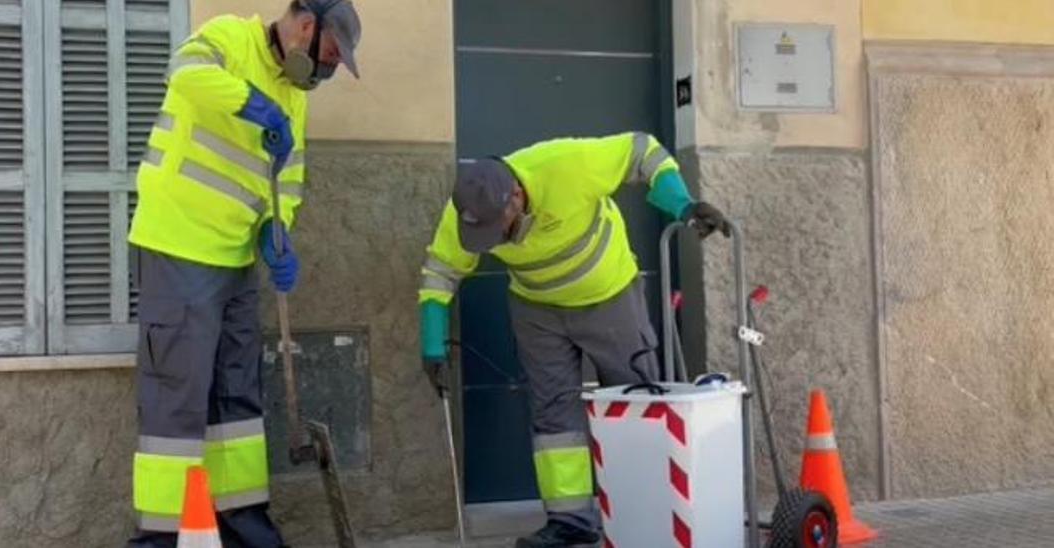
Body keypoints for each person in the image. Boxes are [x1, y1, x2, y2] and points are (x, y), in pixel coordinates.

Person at [418, 132, 730, 547]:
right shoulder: (468, 212)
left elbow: (643, 151)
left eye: (499, 227)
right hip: (537, 310)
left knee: (635, 400)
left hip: (609, 298)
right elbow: (440, 273)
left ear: (515, 195)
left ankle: (650, 504)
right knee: (553, 415)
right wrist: (432, 343)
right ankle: (571, 523)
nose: (493, 238)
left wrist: (683, 204)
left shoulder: (565, 164)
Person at [124, 1, 361, 546]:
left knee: (237, 400)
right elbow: (184, 74)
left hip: (235, 260)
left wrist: (276, 234)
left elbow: (290, 178)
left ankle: (244, 528)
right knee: (178, 400)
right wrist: (252, 103)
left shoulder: (295, 98)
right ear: (307, 26)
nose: (326, 70)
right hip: (179, 245)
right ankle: (161, 538)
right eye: (329, 54)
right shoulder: (230, 37)